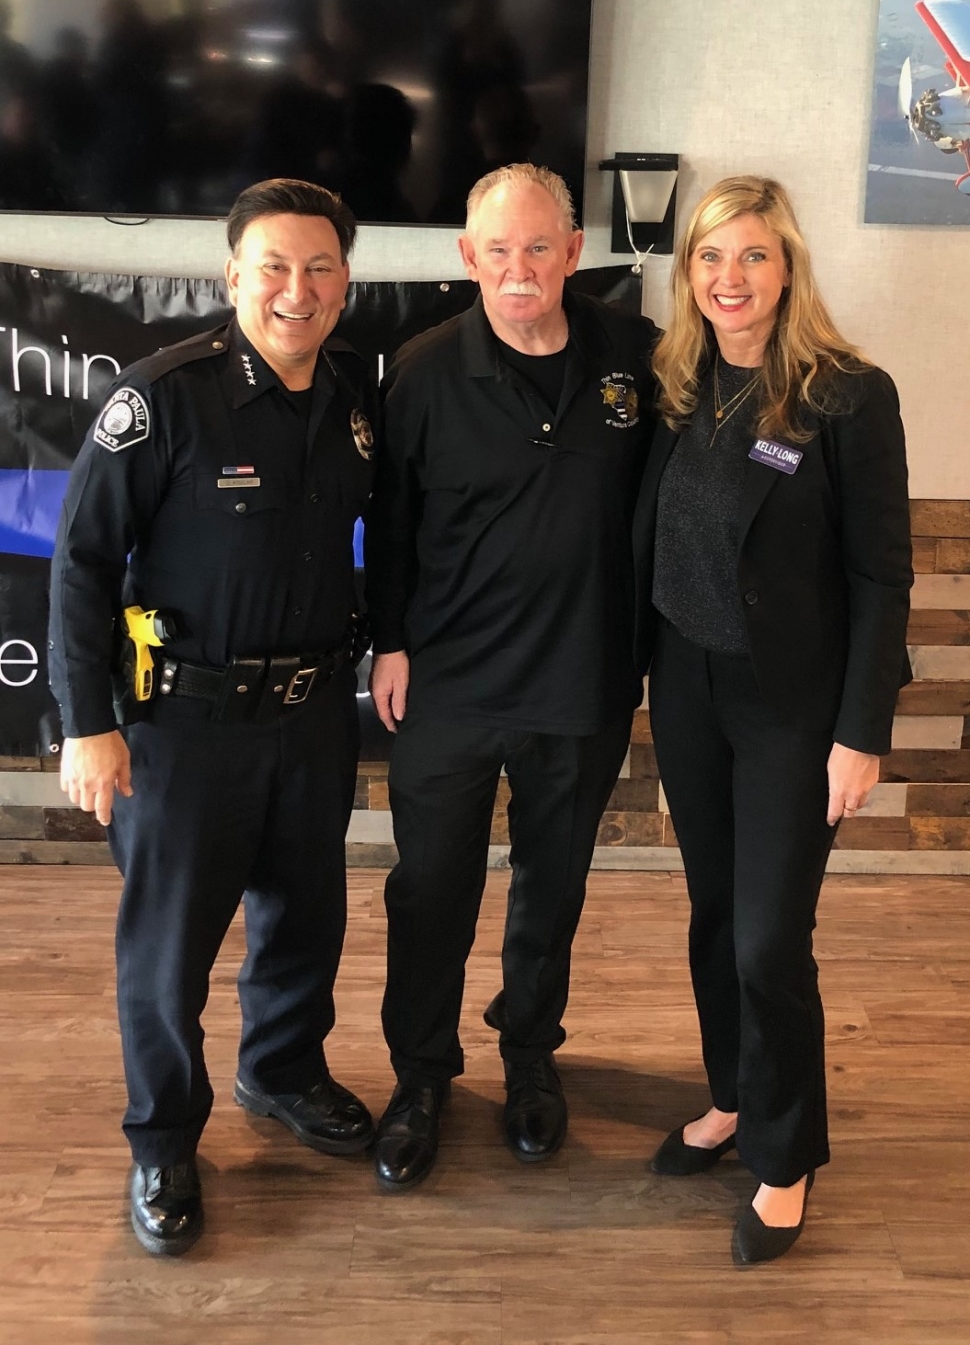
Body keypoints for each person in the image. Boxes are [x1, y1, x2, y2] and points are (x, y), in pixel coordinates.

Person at [48, 178, 377, 1256]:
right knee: (168, 949)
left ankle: (280, 1071)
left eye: (319, 268)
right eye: (274, 267)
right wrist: (86, 722)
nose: (298, 289)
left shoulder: (354, 402)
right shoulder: (162, 398)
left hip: (313, 715)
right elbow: (83, 564)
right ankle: (163, 1138)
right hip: (183, 730)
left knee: (303, 921)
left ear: (345, 283)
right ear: (232, 276)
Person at [633, 176, 912, 1264]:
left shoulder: (849, 395)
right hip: (688, 688)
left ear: (787, 267)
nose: (728, 279)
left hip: (794, 707)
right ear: (687, 275)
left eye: (751, 256)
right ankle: (736, 1094)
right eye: (708, 258)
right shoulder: (678, 387)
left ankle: (786, 1155)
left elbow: (880, 577)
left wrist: (861, 729)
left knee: (766, 938)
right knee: (712, 914)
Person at [365, 162, 658, 1191]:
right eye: (499, 250)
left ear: (575, 254)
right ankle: (420, 1076)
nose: (520, 269)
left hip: (582, 684)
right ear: (466, 258)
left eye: (540, 247)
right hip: (450, 683)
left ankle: (529, 1058)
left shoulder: (638, 356)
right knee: (430, 891)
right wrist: (388, 638)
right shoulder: (422, 369)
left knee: (551, 891)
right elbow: (391, 523)